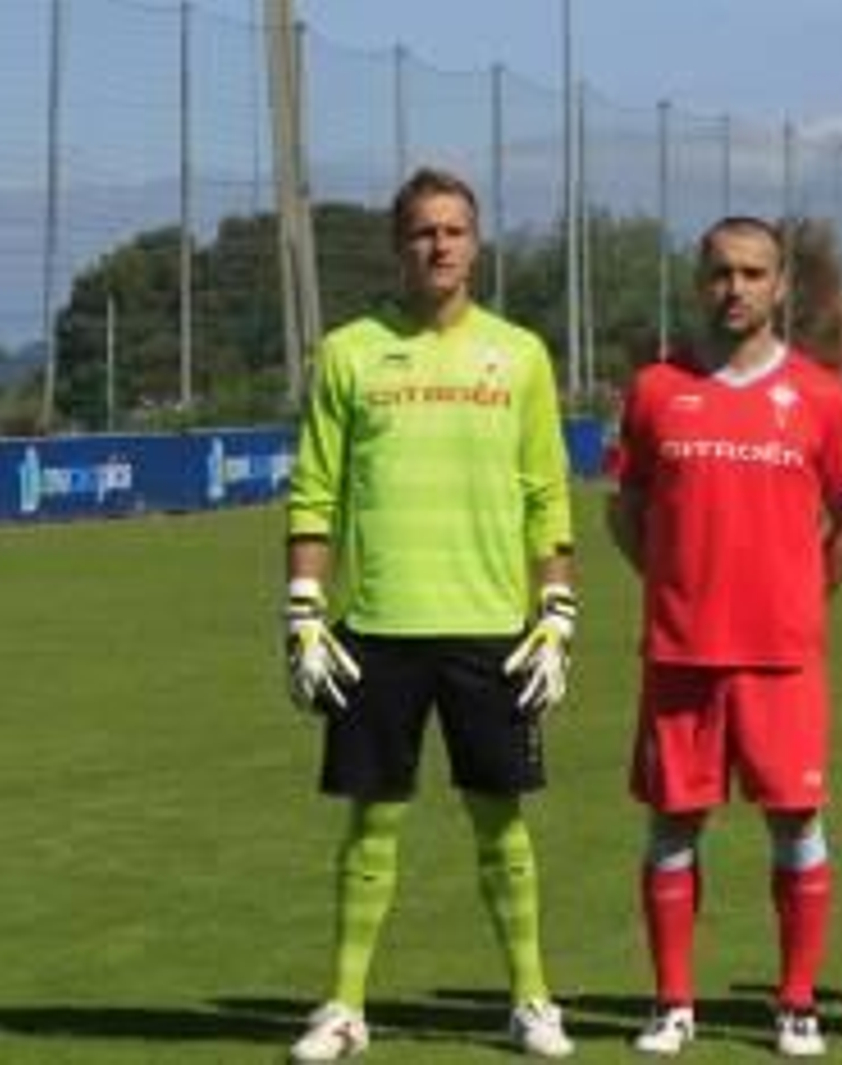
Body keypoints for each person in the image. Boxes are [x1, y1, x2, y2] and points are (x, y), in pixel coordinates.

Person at [282, 166, 578, 1062]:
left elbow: (547, 494)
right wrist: (303, 611)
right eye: (423, 231)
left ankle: (530, 1000)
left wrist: (557, 611)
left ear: (475, 245)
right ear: (398, 244)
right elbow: (314, 491)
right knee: (371, 823)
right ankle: (344, 1006)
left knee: (501, 822)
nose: (439, 245)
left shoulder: (519, 354)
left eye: (453, 230)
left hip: (492, 631)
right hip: (376, 629)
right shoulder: (349, 351)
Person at [606, 215, 842, 1058]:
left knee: (797, 824)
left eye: (754, 273)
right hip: (681, 653)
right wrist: (674, 585)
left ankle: (796, 1002)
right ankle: (672, 1003)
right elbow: (625, 510)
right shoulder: (656, 389)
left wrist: (801, 594)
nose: (736, 288)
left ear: (780, 285)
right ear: (700, 281)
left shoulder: (821, 395)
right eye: (722, 272)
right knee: (671, 827)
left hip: (782, 657)